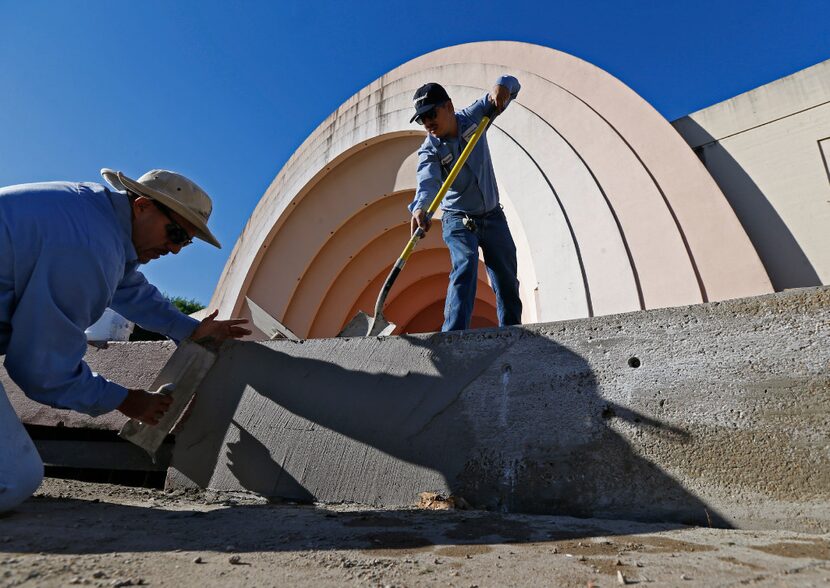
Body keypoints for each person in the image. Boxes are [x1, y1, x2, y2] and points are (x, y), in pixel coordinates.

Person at [0, 168, 251, 513]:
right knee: (12, 480)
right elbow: (42, 370)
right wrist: (124, 400)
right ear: (143, 206)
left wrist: (188, 329)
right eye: (175, 233)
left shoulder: (92, 216)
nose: (176, 250)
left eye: (185, 241)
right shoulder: (87, 246)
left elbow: (128, 288)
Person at [408, 77, 523, 332]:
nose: (427, 123)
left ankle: (513, 332)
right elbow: (427, 182)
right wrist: (420, 208)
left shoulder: (473, 117)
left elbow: (510, 86)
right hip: (458, 219)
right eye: (421, 119)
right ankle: (454, 336)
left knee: (506, 276)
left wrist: (502, 87)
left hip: (493, 217)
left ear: (448, 106)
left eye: (431, 114)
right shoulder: (430, 150)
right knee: (466, 263)